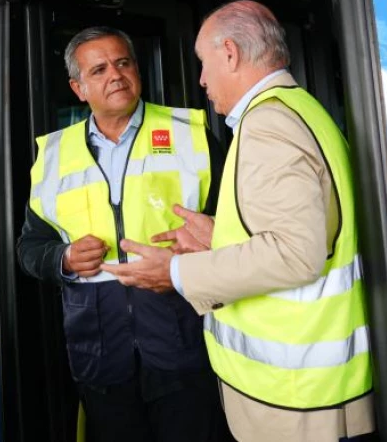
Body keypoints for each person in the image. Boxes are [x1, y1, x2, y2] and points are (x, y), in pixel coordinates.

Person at [102, 1, 376, 442]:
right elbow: (308, 230)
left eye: (204, 64)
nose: (202, 80)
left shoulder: (267, 124)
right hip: (314, 391)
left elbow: (294, 253)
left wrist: (174, 271)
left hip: (297, 399)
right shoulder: (301, 109)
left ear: (229, 53)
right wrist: (222, 235)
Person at [17, 26, 230, 442]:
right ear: (79, 89)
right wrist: (62, 258)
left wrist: (207, 245)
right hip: (99, 353)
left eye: (123, 62)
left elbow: (240, 229)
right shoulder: (54, 155)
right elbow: (29, 247)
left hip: (182, 342)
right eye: (98, 70)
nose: (115, 75)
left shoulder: (191, 135)